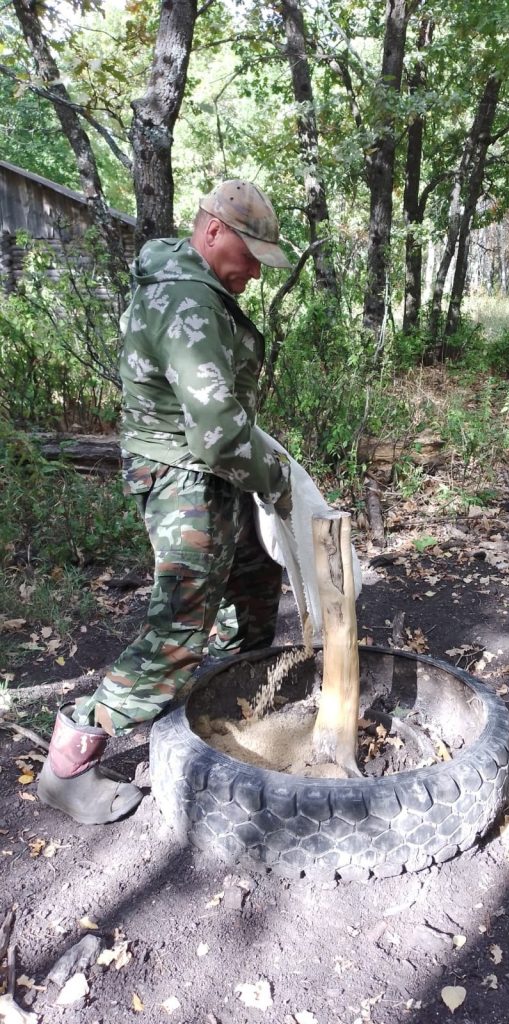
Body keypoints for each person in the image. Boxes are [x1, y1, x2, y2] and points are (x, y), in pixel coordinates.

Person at [37, 179, 293, 825]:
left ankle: (234, 710)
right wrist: (281, 481)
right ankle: (72, 757)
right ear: (211, 231)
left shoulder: (199, 291)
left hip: (214, 472)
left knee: (255, 584)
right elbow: (214, 430)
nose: (257, 270)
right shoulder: (186, 300)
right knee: (180, 631)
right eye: (250, 252)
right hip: (187, 479)